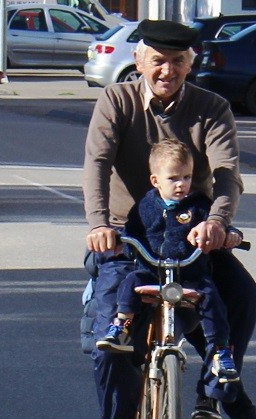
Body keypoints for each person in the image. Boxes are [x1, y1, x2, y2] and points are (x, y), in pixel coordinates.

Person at [83, 19, 256, 419]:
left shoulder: (211, 108)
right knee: (110, 336)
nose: (167, 70)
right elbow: (98, 163)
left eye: (177, 62)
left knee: (242, 295)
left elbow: (227, 171)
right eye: (158, 61)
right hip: (128, 240)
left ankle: (215, 392)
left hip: (193, 238)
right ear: (139, 60)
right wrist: (99, 224)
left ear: (191, 64)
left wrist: (218, 222)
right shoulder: (117, 101)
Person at [95, 139, 240, 386]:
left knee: (211, 296)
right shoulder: (145, 206)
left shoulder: (199, 206)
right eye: (173, 178)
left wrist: (229, 234)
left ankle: (220, 351)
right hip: (153, 271)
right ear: (155, 181)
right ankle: (122, 326)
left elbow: (218, 226)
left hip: (189, 273)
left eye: (186, 177)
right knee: (129, 281)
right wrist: (120, 241)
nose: (181, 184)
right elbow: (131, 233)